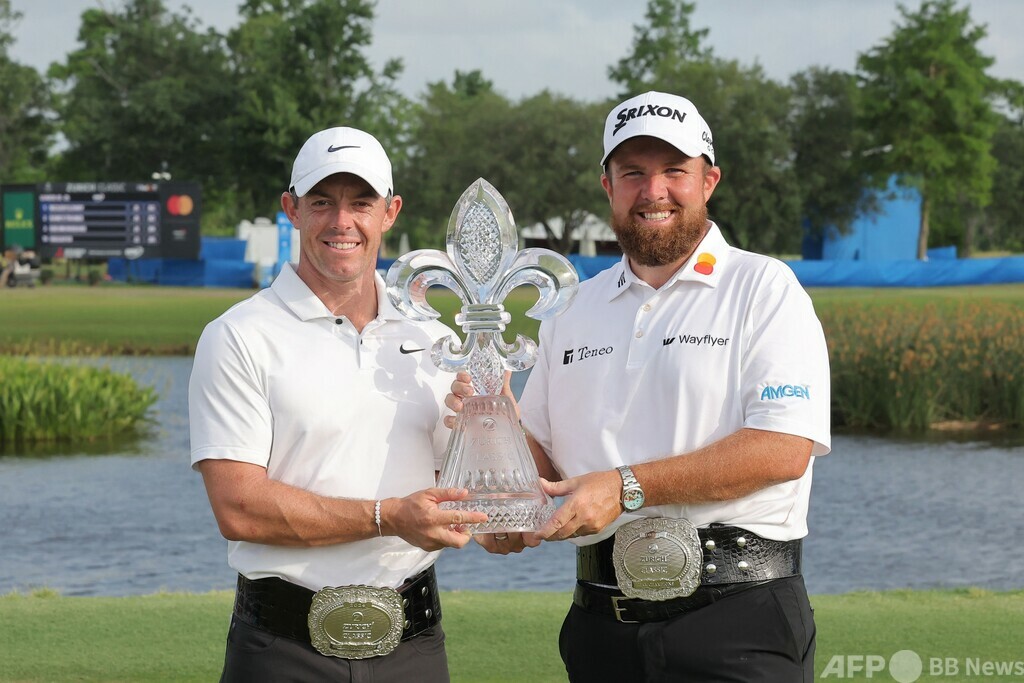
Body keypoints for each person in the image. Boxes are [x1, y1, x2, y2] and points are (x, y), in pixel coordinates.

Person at [447, 91, 831, 681]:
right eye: (633, 173)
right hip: (602, 627)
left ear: (709, 181)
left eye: (674, 171)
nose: (654, 191)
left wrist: (625, 488)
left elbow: (783, 448)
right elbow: (544, 471)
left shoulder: (764, 288)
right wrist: (492, 428)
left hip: (737, 618)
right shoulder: (572, 309)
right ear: (608, 187)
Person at [189, 126, 488, 682]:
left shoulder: (433, 336)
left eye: (361, 203)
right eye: (322, 202)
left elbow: (472, 493)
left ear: (390, 212)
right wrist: (389, 517)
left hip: (415, 648)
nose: (342, 222)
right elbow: (238, 508)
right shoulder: (239, 335)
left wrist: (493, 426)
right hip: (283, 651)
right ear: (291, 210)